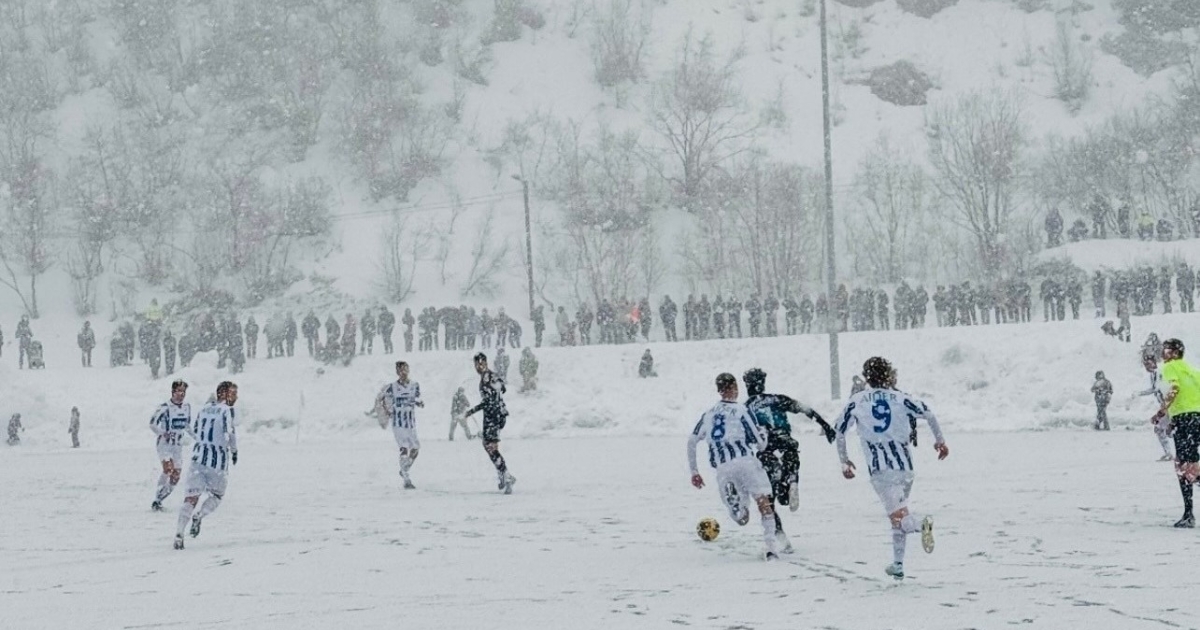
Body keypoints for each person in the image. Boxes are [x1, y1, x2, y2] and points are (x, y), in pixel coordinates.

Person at [836, 357, 949, 580]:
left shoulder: (858, 400)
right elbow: (928, 413)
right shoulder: (901, 397)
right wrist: (940, 441)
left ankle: (921, 524)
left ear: (867, 377)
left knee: (900, 516)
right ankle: (898, 564)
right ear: (888, 375)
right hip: (905, 467)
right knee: (898, 514)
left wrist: (844, 460)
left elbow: (839, 431)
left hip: (881, 469)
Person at [687, 373, 783, 560]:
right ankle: (771, 548)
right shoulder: (741, 410)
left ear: (719, 390)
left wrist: (694, 472)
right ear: (734, 388)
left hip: (723, 467)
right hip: (745, 461)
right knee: (763, 501)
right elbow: (759, 443)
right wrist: (763, 434)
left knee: (742, 519)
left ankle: (737, 507)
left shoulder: (708, 415)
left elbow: (692, 441)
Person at [743, 368, 836, 514]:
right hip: (786, 441)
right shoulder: (778, 399)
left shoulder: (746, 407)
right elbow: (805, 409)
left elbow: (741, 432)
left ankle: (775, 509)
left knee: (771, 492)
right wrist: (825, 426)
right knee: (788, 481)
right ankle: (792, 480)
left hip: (766, 447)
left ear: (748, 385)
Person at [174, 381, 239, 550]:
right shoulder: (226, 410)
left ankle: (179, 532)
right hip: (217, 463)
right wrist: (234, 451)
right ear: (224, 394)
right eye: (233, 394)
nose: (236, 397)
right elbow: (229, 433)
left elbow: (196, 430)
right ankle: (200, 515)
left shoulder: (204, 409)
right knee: (217, 495)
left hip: (198, 459)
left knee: (190, 498)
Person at [1158, 339, 1200, 528]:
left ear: (1175, 352)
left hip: (1185, 419)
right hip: (1195, 418)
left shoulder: (1171, 367)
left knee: (1183, 466)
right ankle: (1188, 512)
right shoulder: (1193, 371)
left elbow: (1174, 389)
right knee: (1189, 464)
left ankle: (1188, 514)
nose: (1163, 352)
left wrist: (1162, 411)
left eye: (1166, 349)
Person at [464, 353, 516, 493]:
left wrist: (471, 411)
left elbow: (488, 401)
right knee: (491, 446)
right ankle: (502, 475)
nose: (478, 367)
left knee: (490, 447)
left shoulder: (487, 377)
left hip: (493, 415)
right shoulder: (491, 376)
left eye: (481, 364)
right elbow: (502, 388)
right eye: (476, 364)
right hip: (497, 414)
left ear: (486, 363)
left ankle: (506, 475)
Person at [375, 361, 424, 489]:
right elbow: (381, 398)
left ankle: (404, 469)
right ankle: (406, 479)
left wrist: (419, 403)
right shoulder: (392, 387)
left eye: (405, 369)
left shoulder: (414, 385)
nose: (403, 372)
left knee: (415, 449)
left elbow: (417, 399)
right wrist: (387, 411)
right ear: (397, 372)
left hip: (411, 423)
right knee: (404, 449)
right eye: (401, 370)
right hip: (398, 423)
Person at [150, 380, 194, 512]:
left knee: (176, 476)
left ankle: (160, 499)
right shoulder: (164, 407)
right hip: (165, 445)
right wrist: (163, 433)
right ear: (173, 392)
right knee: (168, 469)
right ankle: (156, 498)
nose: (182, 394)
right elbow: (152, 424)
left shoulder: (187, 407)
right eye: (179, 391)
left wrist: (197, 437)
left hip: (177, 446)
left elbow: (187, 425)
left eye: (184, 391)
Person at [1137, 349, 1174, 462]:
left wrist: (1165, 407)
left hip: (1169, 406)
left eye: (1148, 364)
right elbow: (1154, 389)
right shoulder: (1153, 375)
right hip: (1165, 406)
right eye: (1145, 364)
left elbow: (1164, 388)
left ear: (1154, 362)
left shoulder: (1160, 372)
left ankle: (1174, 452)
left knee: (1168, 430)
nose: (1147, 367)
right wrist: (1140, 393)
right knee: (1161, 429)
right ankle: (1169, 453)